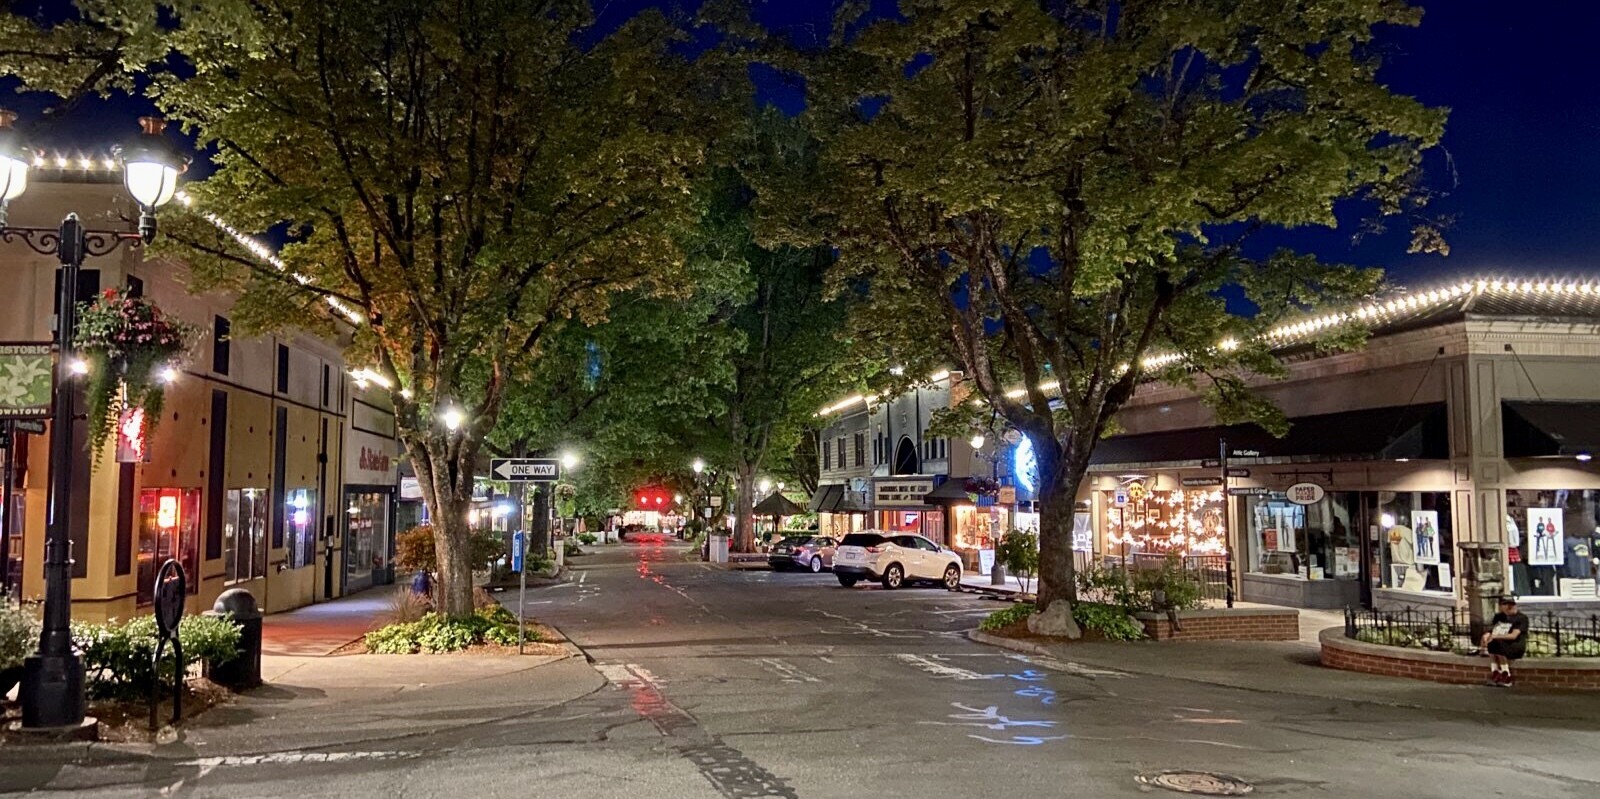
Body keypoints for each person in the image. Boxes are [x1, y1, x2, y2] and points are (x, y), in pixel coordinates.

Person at [1479, 596, 1529, 687]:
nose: (1509, 608)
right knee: (1493, 644)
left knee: (1497, 643)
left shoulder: (1521, 618)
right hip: (1499, 643)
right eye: (1505, 605)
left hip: (1515, 645)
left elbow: (1514, 636)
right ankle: (1495, 672)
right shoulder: (1499, 617)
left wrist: (1495, 636)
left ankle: (1507, 675)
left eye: (1511, 605)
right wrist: (1488, 634)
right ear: (1501, 606)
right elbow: (1494, 630)